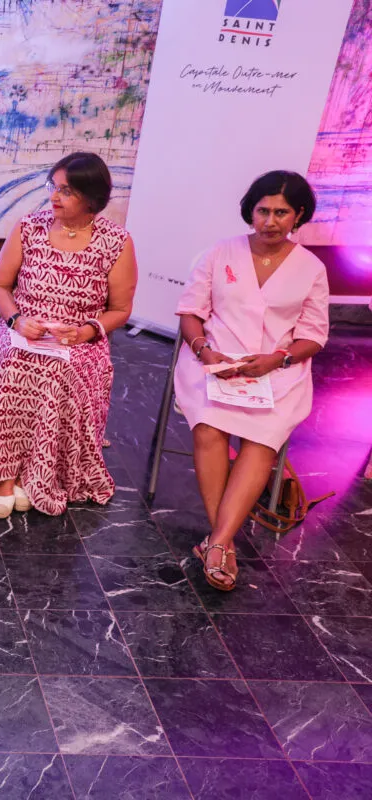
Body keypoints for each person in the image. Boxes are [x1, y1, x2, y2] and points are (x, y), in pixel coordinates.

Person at [0, 152, 137, 518]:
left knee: (58, 371)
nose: (54, 197)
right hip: (20, 330)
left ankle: (37, 473)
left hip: (78, 342)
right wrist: (17, 320)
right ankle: (3, 475)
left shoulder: (117, 241)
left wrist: (85, 331)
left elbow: (120, 309)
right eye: (54, 186)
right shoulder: (29, 227)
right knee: (15, 363)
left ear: (91, 198)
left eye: (67, 191)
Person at [175, 170, 328, 591]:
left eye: (281, 212)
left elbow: (314, 335)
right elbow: (190, 312)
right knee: (209, 428)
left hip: (277, 370)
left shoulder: (311, 268)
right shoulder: (220, 252)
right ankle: (222, 543)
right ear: (251, 211)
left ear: (298, 215)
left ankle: (217, 542)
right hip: (214, 361)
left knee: (261, 441)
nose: (270, 221)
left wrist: (277, 359)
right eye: (263, 211)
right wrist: (205, 351)